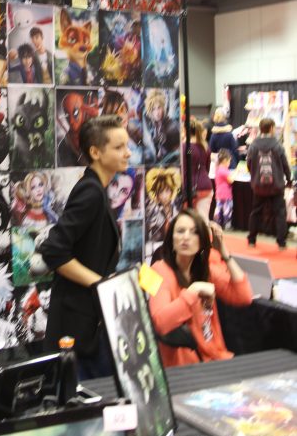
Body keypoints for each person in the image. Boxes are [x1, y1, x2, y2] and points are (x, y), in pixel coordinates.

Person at [40, 115, 131, 378]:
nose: (127, 152)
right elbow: (54, 250)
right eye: (119, 147)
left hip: (87, 319)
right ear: (95, 152)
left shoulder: (97, 189)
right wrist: (100, 283)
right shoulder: (90, 192)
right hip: (75, 323)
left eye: (126, 145)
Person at [149, 210, 253, 367]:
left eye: (194, 232)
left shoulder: (205, 269)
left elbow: (244, 297)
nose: (186, 237)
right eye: (180, 231)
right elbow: (160, 323)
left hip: (216, 358)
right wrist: (193, 292)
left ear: (202, 241)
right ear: (171, 239)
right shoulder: (157, 271)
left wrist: (224, 252)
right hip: (184, 367)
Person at [247, 117, 291, 249]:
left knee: (256, 212)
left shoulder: (254, 145)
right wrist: (289, 178)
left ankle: (252, 240)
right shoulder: (277, 145)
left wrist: (254, 175)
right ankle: (281, 242)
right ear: (271, 128)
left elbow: (249, 163)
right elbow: (285, 165)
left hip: (259, 185)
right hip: (276, 185)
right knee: (280, 213)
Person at [186, 118, 213, 222]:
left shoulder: (187, 148)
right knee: (203, 220)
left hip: (190, 188)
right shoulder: (205, 147)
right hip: (206, 186)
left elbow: (184, 167)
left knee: (189, 220)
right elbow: (207, 168)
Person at [214, 148, 234, 229]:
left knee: (218, 209)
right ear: (225, 160)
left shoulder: (217, 169)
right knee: (227, 210)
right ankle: (227, 225)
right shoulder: (224, 170)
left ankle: (217, 223)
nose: (229, 163)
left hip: (219, 194)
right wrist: (236, 173)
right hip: (226, 194)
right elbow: (231, 180)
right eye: (229, 161)